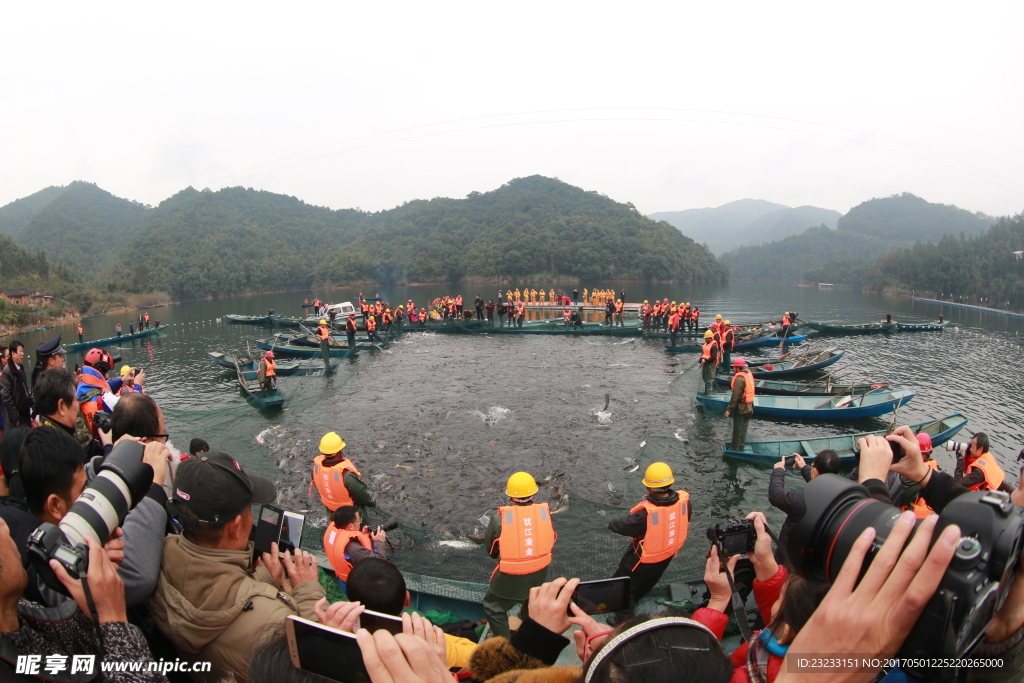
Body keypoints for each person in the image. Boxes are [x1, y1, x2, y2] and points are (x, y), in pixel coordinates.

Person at [149, 451, 324, 683]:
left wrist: (260, 580)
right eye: (250, 509)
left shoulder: (153, 554)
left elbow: (213, 595)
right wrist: (308, 590)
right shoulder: (272, 621)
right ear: (236, 525)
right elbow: (313, 669)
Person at [0, 513, 168, 683]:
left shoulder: (16, 614)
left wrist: (89, 574)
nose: (5, 525)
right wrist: (113, 618)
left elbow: (73, 654)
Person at [20, 425, 170, 608]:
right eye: (85, 489)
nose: (91, 492)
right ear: (55, 506)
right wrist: (154, 486)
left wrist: (111, 462)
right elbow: (138, 575)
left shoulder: (32, 517)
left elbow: (77, 476)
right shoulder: (49, 575)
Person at [345, 558, 479, 669]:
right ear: (407, 599)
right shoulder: (429, 642)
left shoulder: (338, 633)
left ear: (349, 601)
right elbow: (480, 656)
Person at [608, 462, 689, 623]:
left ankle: (624, 622)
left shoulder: (645, 514)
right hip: (666, 556)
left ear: (649, 488)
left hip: (642, 560)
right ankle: (636, 599)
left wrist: (611, 524)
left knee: (622, 586)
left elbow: (624, 526)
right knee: (646, 582)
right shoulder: (683, 502)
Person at [482, 472, 556, 640]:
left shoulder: (499, 520)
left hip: (510, 575)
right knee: (530, 599)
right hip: (539, 572)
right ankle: (529, 629)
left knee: (493, 606)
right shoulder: (545, 514)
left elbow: (492, 550)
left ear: (510, 497)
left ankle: (505, 644)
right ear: (534, 494)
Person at [768, 449, 841, 553]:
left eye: (812, 466)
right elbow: (821, 481)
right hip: (819, 553)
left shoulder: (803, 500)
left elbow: (776, 496)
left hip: (792, 556)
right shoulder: (841, 495)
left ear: (815, 472)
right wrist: (804, 467)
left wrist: (778, 470)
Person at [33, 367, 101, 457]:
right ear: (61, 406)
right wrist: (108, 446)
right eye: (75, 400)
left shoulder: (38, 440)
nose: (77, 406)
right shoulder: (66, 453)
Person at [311, 431, 375, 518]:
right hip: (351, 515)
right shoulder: (346, 475)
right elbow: (361, 495)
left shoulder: (316, 469)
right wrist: (372, 502)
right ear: (339, 452)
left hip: (332, 512)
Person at [322, 505, 387, 589]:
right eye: (359, 520)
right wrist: (380, 541)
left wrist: (363, 535)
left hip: (342, 578)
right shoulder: (353, 548)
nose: (360, 522)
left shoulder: (333, 532)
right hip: (354, 585)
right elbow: (379, 561)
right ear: (350, 526)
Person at [76, 347, 115, 436]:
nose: (108, 376)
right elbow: (131, 410)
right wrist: (137, 386)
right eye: (107, 372)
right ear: (101, 370)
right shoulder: (106, 398)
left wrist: (121, 380)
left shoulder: (78, 389)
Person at [900, 433, 941, 518]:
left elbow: (900, 498)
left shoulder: (920, 475)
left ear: (924, 455)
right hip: (922, 516)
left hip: (912, 518)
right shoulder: (931, 468)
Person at [724, 357, 754, 451]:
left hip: (742, 408)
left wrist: (729, 409)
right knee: (744, 427)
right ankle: (741, 445)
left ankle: (735, 448)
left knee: (738, 429)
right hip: (750, 406)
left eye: (734, 367)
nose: (733, 369)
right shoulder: (748, 374)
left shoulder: (740, 378)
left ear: (738, 368)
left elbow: (735, 396)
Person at [0, 341, 32, 430]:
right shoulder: (7, 372)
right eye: (20, 351)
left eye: (23, 351)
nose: (23, 354)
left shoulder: (21, 369)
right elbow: (6, 397)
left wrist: (32, 403)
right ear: (13, 354)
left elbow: (26, 389)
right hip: (17, 416)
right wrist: (16, 418)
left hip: (26, 412)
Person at [698, 330, 720, 395]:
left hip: (711, 364)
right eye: (705, 338)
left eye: (706, 338)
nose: (705, 340)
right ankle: (706, 392)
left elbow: (713, 357)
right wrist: (700, 362)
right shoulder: (705, 345)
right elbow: (702, 354)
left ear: (710, 338)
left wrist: (706, 361)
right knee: (705, 378)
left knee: (709, 379)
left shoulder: (714, 346)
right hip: (705, 364)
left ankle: (709, 394)